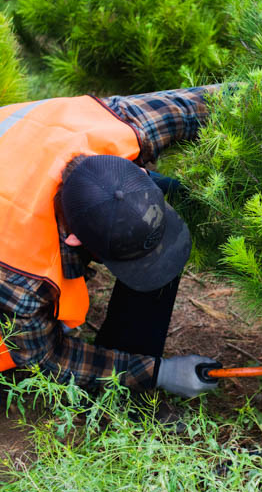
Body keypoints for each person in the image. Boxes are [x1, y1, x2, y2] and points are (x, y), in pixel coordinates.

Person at [0, 87, 221, 399]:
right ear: (72, 238)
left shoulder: (119, 126)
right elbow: (48, 359)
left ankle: (131, 344)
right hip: (9, 243)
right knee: (9, 359)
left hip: (24, 160)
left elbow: (199, 104)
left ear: (137, 170)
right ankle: (123, 395)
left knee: (177, 197)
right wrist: (158, 373)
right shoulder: (20, 282)